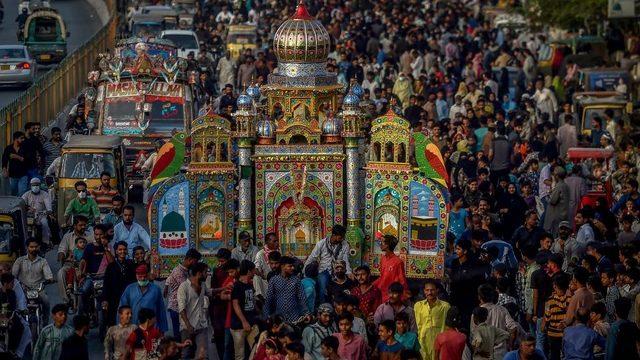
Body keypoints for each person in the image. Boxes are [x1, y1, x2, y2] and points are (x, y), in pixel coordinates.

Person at [304, 225, 352, 303]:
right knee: (323, 289)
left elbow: (346, 259)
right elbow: (312, 257)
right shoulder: (321, 243)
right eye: (340, 237)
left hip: (338, 271)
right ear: (333, 235)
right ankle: (323, 308)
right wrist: (304, 272)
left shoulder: (344, 244)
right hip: (324, 270)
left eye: (343, 237)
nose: (342, 239)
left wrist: (349, 272)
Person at [12, 238, 53, 323]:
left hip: (38, 289)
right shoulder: (20, 261)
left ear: (39, 247)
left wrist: (49, 279)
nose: (34, 249)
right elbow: (13, 275)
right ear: (27, 247)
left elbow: (48, 275)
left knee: (46, 301)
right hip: (23, 289)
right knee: (15, 304)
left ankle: (45, 322)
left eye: (36, 247)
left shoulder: (43, 261)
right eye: (31, 247)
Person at [119, 264, 168, 332]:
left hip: (151, 328)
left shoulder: (156, 289)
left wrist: (162, 330)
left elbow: (161, 310)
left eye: (144, 276)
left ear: (148, 275)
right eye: (140, 277)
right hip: (133, 328)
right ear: (136, 276)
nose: (142, 279)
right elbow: (122, 309)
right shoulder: (129, 289)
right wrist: (121, 327)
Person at [165, 248, 202, 338]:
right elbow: (188, 288)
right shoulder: (179, 272)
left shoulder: (185, 271)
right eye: (195, 261)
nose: (196, 264)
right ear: (190, 260)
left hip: (182, 307)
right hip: (177, 308)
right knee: (180, 336)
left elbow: (169, 279)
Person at [57, 215, 93, 304]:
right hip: (71, 264)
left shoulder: (90, 236)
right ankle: (67, 300)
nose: (83, 227)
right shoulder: (67, 237)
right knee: (60, 274)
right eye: (81, 225)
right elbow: (62, 249)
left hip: (86, 264)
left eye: (85, 225)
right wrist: (61, 255)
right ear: (75, 226)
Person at [178, 261, 210, 360]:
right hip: (187, 327)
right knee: (186, 354)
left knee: (202, 354)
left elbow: (210, 292)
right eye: (205, 272)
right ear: (199, 273)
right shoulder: (184, 287)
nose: (207, 274)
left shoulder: (203, 285)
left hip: (201, 325)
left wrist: (223, 289)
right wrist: (188, 325)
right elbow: (181, 309)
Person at [264, 256, 310, 323]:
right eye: (290, 266)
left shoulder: (296, 280)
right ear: (282, 266)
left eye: (293, 266)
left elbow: (302, 298)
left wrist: (306, 313)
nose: (293, 268)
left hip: (295, 318)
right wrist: (266, 315)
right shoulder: (274, 280)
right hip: (279, 319)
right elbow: (268, 299)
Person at [414, 279, 450, 360]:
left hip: (439, 341)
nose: (429, 293)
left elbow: (446, 325)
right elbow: (418, 325)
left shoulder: (445, 306)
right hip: (423, 342)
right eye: (427, 290)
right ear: (424, 291)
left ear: (437, 290)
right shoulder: (418, 305)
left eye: (432, 290)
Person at [103, 241, 136, 327]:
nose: (122, 251)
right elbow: (106, 283)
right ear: (116, 251)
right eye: (120, 249)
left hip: (128, 298)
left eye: (124, 249)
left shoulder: (131, 264)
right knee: (113, 321)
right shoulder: (111, 266)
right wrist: (105, 300)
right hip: (114, 298)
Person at [542, 272, 571, 360]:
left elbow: (547, 318)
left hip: (553, 334)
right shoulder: (571, 300)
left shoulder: (549, 301)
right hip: (567, 334)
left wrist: (543, 327)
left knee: (554, 355)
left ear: (555, 286)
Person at [373, 235, 410, 302]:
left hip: (392, 295)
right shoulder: (383, 259)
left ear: (387, 245)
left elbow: (402, 280)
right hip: (381, 293)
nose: (380, 244)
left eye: (382, 242)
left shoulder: (398, 261)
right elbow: (382, 277)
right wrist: (370, 286)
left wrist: (404, 294)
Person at [21, 177, 53, 246]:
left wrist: (49, 210)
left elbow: (48, 205)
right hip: (29, 216)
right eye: (33, 185)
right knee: (23, 226)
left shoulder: (45, 194)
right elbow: (21, 203)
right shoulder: (26, 194)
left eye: (37, 185)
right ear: (30, 186)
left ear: (40, 185)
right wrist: (28, 208)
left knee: (45, 224)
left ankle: (45, 242)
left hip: (41, 215)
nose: (35, 187)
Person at [254, 232, 280, 298]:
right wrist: (263, 276)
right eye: (274, 241)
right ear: (267, 242)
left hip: (278, 279)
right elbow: (256, 269)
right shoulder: (260, 254)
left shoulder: (279, 251)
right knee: (256, 278)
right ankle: (260, 299)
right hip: (265, 280)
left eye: (277, 241)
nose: (277, 243)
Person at [2, 131, 28, 196]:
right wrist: (5, 170)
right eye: (21, 138)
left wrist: (17, 157)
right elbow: (4, 160)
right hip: (12, 175)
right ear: (16, 139)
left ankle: (22, 205)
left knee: (22, 192)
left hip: (23, 174)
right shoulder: (8, 148)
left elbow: (28, 160)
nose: (23, 140)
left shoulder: (24, 148)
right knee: (13, 192)